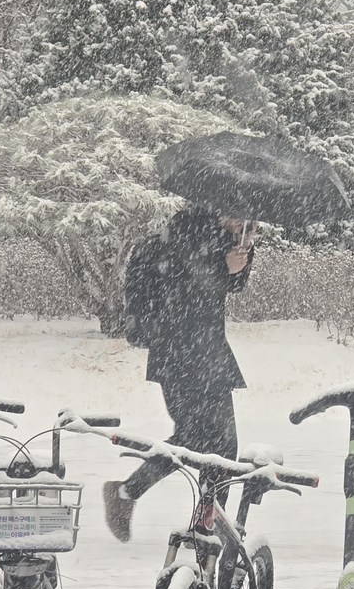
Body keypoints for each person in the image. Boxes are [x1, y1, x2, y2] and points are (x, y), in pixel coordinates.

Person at [103, 206, 258, 542]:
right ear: (216, 208)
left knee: (219, 445)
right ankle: (136, 494)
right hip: (179, 352)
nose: (240, 220)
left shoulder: (217, 238)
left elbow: (232, 285)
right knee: (198, 439)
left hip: (208, 353)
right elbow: (186, 288)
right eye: (237, 215)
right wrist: (223, 264)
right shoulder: (185, 235)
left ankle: (204, 520)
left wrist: (243, 249)